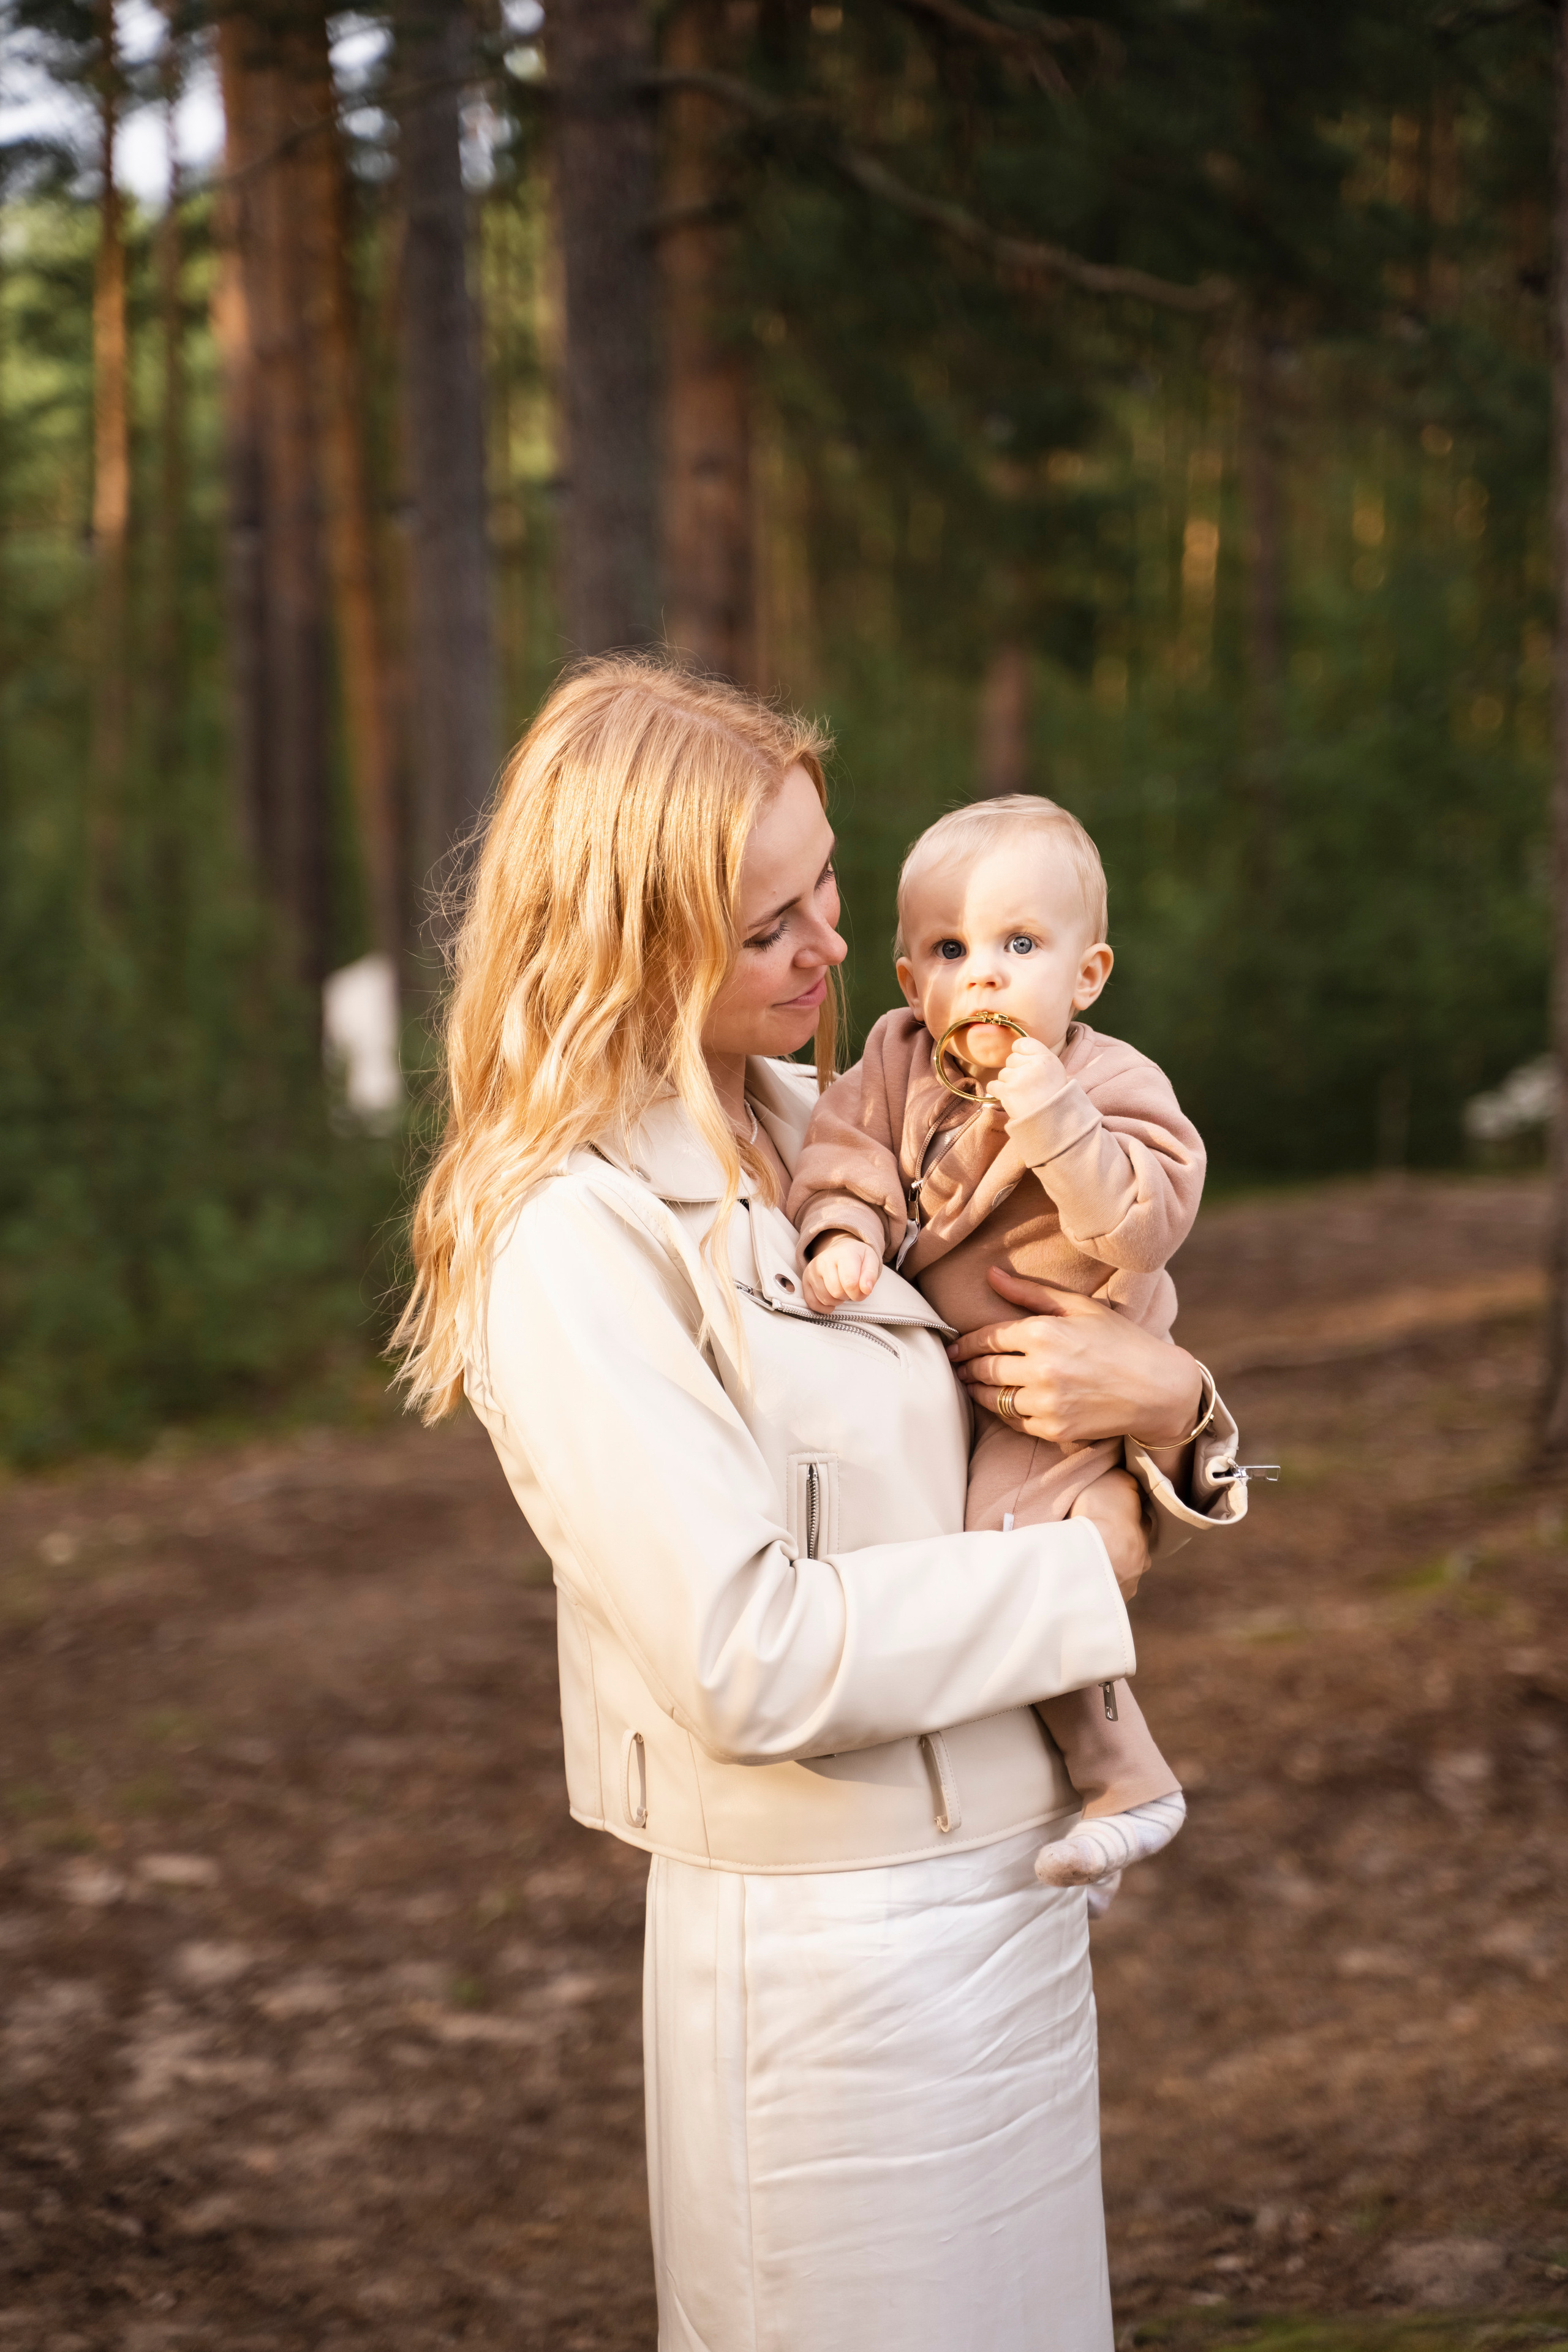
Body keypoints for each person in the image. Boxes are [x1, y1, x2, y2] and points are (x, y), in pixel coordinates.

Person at [394, 657, 1247, 2352]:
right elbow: (746, 1653)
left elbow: (1040, 1360)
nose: (833, 946)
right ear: (634, 943)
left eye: (829, 887)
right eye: (767, 923)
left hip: (1015, 1892)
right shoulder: (569, 1233)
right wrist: (1079, 1580)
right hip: (832, 1960)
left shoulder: (842, 1114)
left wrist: (1182, 1415)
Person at [788, 794, 1232, 1904]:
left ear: (1087, 975)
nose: (982, 976)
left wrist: (1050, 1107)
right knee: (1025, 1552)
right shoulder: (893, 1061)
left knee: (1017, 1548)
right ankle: (1086, 1788)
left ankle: (1126, 1778)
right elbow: (844, 1150)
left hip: (1063, 1370)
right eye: (950, 951)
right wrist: (843, 1230)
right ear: (909, 984)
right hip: (969, 1371)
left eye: (1019, 946)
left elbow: (1138, 1224)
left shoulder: (1113, 1082)